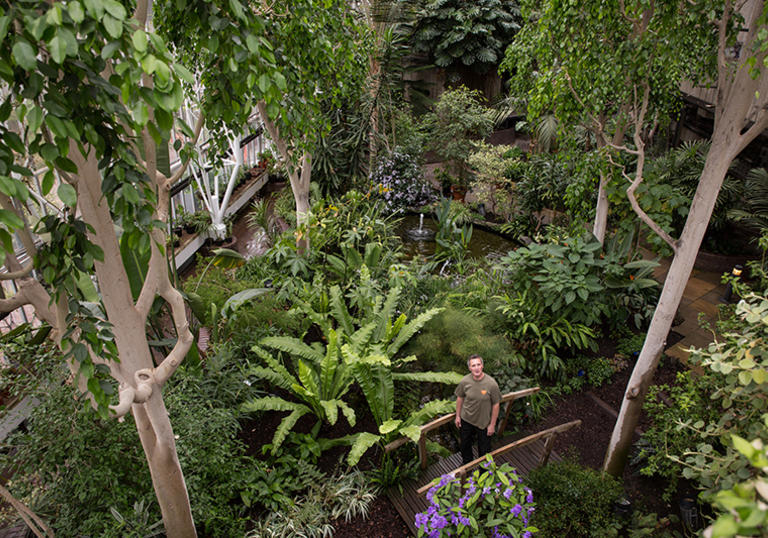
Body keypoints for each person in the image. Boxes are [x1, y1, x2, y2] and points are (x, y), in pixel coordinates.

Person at [454, 354, 501, 465]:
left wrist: (492, 425)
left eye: (478, 364)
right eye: (473, 365)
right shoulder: (465, 381)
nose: (476, 368)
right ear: (470, 368)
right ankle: (467, 464)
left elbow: (496, 404)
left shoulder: (491, 384)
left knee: (484, 449)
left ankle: (483, 470)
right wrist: (457, 416)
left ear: (482, 366)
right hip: (466, 419)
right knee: (465, 444)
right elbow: (460, 398)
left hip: (483, 422)